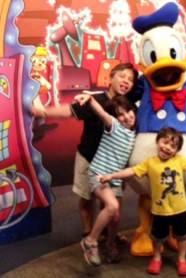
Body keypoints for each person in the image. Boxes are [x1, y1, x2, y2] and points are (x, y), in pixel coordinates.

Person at [100, 127, 186, 276]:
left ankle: (182, 260)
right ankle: (157, 258)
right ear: (158, 141)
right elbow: (131, 171)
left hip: (180, 210)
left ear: (176, 151)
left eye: (173, 146)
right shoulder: (149, 163)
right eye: (165, 142)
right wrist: (112, 176)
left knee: (183, 236)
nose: (167, 148)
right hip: (159, 210)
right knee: (157, 237)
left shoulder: (179, 161)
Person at [31, 63, 138, 239]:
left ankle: (109, 233)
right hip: (88, 156)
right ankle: (88, 231)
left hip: (114, 164)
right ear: (110, 78)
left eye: (130, 80)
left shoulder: (130, 106)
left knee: (111, 201)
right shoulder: (94, 99)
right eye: (122, 76)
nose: (126, 81)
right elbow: (68, 111)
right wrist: (43, 112)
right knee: (86, 197)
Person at [74, 93, 136, 266]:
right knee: (112, 206)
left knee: (115, 217)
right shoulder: (114, 125)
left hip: (114, 179)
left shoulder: (133, 135)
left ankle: (110, 245)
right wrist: (90, 99)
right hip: (99, 175)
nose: (126, 117)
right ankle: (90, 241)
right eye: (120, 114)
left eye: (128, 111)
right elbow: (102, 113)